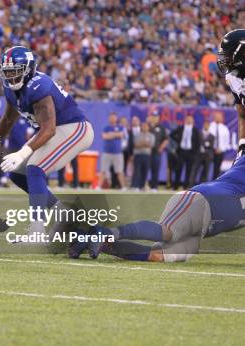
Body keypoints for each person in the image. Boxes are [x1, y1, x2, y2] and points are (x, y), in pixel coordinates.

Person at [74, 29, 245, 262]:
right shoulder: (236, 79)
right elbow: (241, 111)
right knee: (167, 230)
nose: (225, 64)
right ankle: (107, 232)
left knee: (166, 255)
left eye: (229, 58)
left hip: (207, 220)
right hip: (198, 201)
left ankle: (99, 241)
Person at [0, 46, 93, 231]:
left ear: (29, 69)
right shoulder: (10, 88)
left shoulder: (39, 85)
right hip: (55, 129)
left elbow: (48, 129)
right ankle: (64, 214)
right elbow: (9, 118)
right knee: (17, 173)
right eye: (7, 72)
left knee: (35, 168)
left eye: (16, 72)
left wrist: (23, 151)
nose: (11, 77)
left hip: (75, 128)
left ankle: (37, 230)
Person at [96, 112, 126, 189]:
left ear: (116, 118)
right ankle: (98, 186)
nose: (112, 119)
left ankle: (123, 187)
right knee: (103, 170)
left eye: (114, 117)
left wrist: (111, 134)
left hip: (117, 153)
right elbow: (104, 136)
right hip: (107, 152)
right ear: (109, 118)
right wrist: (115, 134)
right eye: (111, 117)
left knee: (119, 171)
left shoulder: (121, 127)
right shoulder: (106, 127)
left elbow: (121, 135)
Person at [170, 115, 200, 189]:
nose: (189, 120)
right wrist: (179, 141)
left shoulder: (195, 130)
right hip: (181, 151)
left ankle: (186, 186)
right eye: (188, 119)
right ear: (185, 120)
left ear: (193, 121)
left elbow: (198, 142)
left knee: (188, 170)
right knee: (178, 169)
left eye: (190, 119)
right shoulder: (181, 128)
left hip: (190, 152)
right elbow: (172, 134)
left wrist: (195, 152)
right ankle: (176, 185)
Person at [148, 110, 168, 191]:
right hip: (147, 152)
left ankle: (154, 187)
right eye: (153, 116)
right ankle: (142, 185)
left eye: (156, 117)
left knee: (155, 169)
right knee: (144, 169)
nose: (155, 118)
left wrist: (161, 148)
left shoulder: (161, 127)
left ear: (158, 118)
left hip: (156, 152)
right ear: (150, 117)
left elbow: (166, 139)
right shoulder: (147, 126)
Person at [131, 121, 155, 190]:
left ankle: (142, 186)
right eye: (143, 126)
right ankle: (136, 186)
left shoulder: (151, 135)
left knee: (145, 171)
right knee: (137, 171)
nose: (144, 127)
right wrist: (145, 144)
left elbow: (151, 145)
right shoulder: (137, 135)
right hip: (138, 155)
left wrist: (142, 143)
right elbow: (136, 145)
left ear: (148, 128)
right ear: (141, 127)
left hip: (147, 156)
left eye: (146, 126)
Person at [208, 112, 231, 179]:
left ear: (222, 118)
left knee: (217, 168)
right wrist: (213, 148)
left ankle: (215, 182)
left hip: (220, 151)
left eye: (220, 117)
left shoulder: (224, 128)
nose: (218, 118)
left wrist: (221, 149)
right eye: (217, 116)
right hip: (210, 151)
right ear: (214, 117)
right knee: (207, 167)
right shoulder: (210, 126)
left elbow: (226, 141)